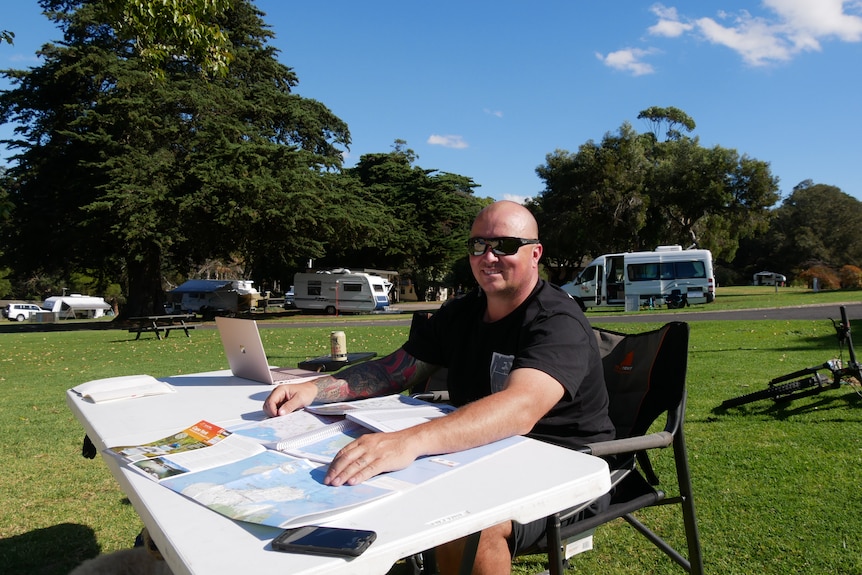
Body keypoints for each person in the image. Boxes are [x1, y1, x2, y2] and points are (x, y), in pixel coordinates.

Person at [263, 200, 614, 574]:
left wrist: (409, 441)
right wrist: (317, 389)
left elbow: (520, 408)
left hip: (565, 468)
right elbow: (396, 370)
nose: (489, 256)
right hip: (479, 455)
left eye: (505, 245)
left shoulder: (557, 321)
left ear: (535, 254)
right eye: (478, 245)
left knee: (471, 525)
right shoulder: (461, 313)